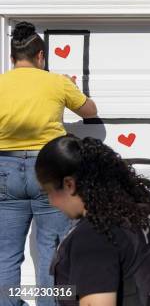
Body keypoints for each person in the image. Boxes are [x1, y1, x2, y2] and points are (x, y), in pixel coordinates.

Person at [0, 22, 97, 306]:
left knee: (6, 254)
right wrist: (72, 88)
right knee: (50, 251)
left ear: (12, 58)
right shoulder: (56, 82)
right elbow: (90, 111)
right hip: (49, 170)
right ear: (41, 57)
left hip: (5, 169)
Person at [35, 135, 150, 306]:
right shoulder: (146, 201)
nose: (50, 202)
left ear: (69, 184)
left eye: (48, 191)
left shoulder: (94, 236)